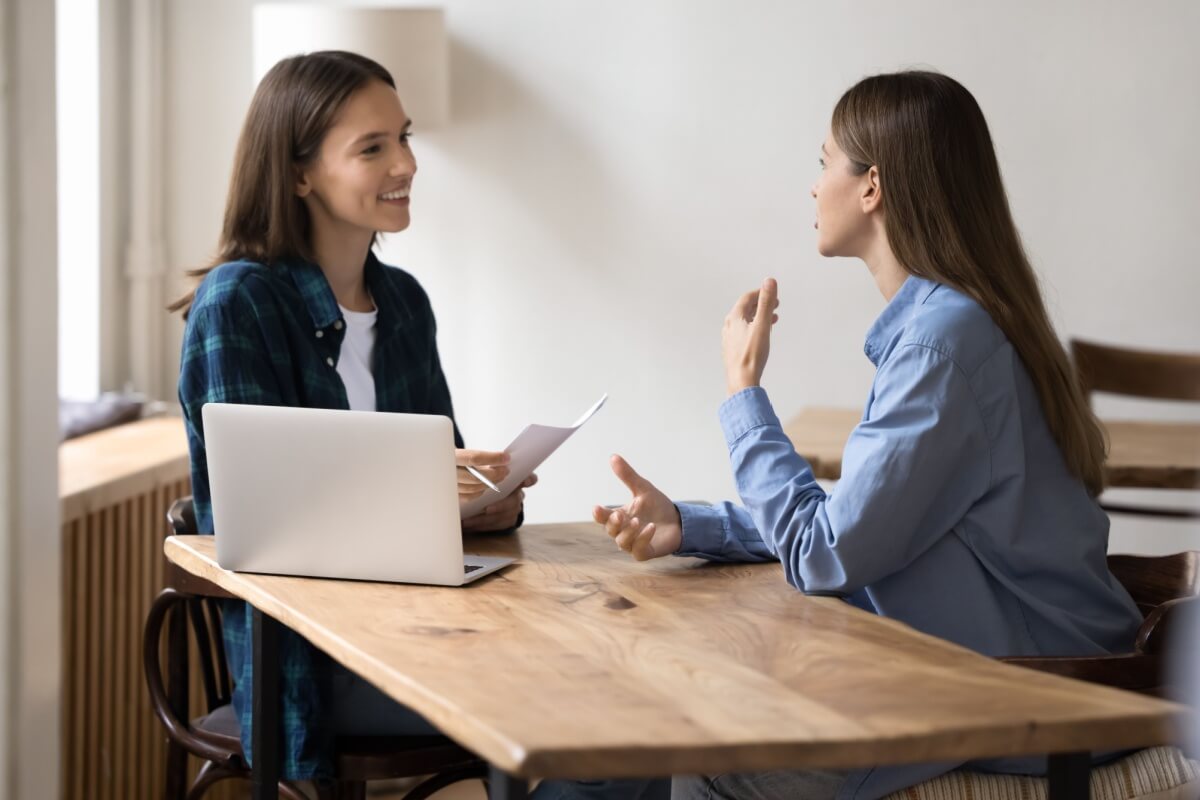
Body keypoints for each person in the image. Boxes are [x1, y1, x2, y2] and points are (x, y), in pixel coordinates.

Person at [592, 70, 1143, 800]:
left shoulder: (941, 345)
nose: (813, 186)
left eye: (823, 163)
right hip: (1011, 665)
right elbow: (869, 524)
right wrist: (689, 527)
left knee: (706, 752)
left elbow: (827, 553)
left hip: (1030, 691)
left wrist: (744, 391)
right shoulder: (951, 324)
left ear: (872, 186)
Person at [175, 50, 665, 799]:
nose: (406, 162)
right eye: (373, 147)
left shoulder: (403, 302)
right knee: (584, 706)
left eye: (404, 137)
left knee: (625, 679)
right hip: (317, 656)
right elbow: (261, 533)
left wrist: (486, 499)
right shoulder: (239, 305)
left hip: (436, 626)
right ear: (301, 173)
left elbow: (438, 478)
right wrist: (431, 503)